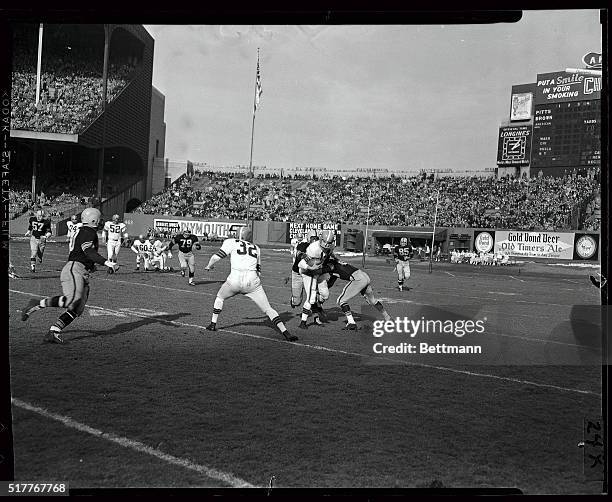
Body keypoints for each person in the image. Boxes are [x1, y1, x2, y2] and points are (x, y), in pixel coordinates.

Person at [20, 207, 119, 344]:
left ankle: (54, 331)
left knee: (76, 308)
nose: (101, 222)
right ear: (94, 220)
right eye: (99, 219)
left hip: (82, 271)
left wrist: (92, 266)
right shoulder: (88, 231)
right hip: (75, 269)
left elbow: (85, 254)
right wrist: (107, 262)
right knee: (72, 300)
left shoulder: (87, 231)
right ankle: (37, 304)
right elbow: (88, 251)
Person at [204, 226, 298, 342]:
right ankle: (286, 332)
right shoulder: (256, 248)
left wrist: (209, 266)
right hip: (252, 281)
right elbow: (258, 270)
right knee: (268, 309)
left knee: (220, 297)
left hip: (235, 279)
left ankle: (213, 324)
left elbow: (216, 257)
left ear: (240, 235)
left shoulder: (231, 242)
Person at [320, 255, 392, 330]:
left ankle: (351, 323)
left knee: (341, 300)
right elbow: (332, 280)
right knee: (372, 300)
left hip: (358, 279)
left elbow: (327, 275)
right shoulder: (335, 263)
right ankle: (388, 318)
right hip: (365, 276)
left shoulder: (329, 265)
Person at [296, 229, 335, 329]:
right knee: (311, 297)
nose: (326, 245)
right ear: (321, 239)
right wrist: (310, 267)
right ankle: (303, 322)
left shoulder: (331, 247)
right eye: (324, 242)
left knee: (325, 295)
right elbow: (301, 263)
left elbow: (330, 255)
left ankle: (317, 306)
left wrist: (337, 260)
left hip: (318, 271)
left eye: (328, 243)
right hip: (307, 272)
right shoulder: (313, 249)